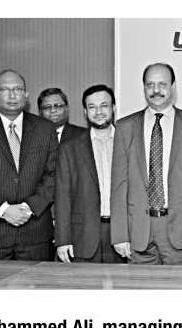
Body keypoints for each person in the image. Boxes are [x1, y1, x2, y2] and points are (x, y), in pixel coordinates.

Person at [110, 63, 182, 264]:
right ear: (143, 87)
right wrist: (119, 234)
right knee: (139, 285)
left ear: (173, 87)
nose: (156, 90)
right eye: (150, 85)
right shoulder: (125, 127)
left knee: (180, 284)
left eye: (162, 84)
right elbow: (119, 185)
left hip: (181, 229)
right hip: (138, 230)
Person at [0, 69, 58, 260]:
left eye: (18, 89)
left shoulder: (45, 129)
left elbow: (54, 174)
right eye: (5, 89)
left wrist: (28, 208)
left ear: (26, 95)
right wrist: (3, 210)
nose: (12, 95)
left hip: (34, 235)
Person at [55, 84, 124, 263]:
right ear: (85, 112)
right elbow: (62, 196)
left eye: (104, 105)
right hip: (83, 236)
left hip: (123, 236)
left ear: (113, 108)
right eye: (92, 107)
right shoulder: (70, 148)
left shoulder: (129, 142)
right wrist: (63, 239)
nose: (98, 112)